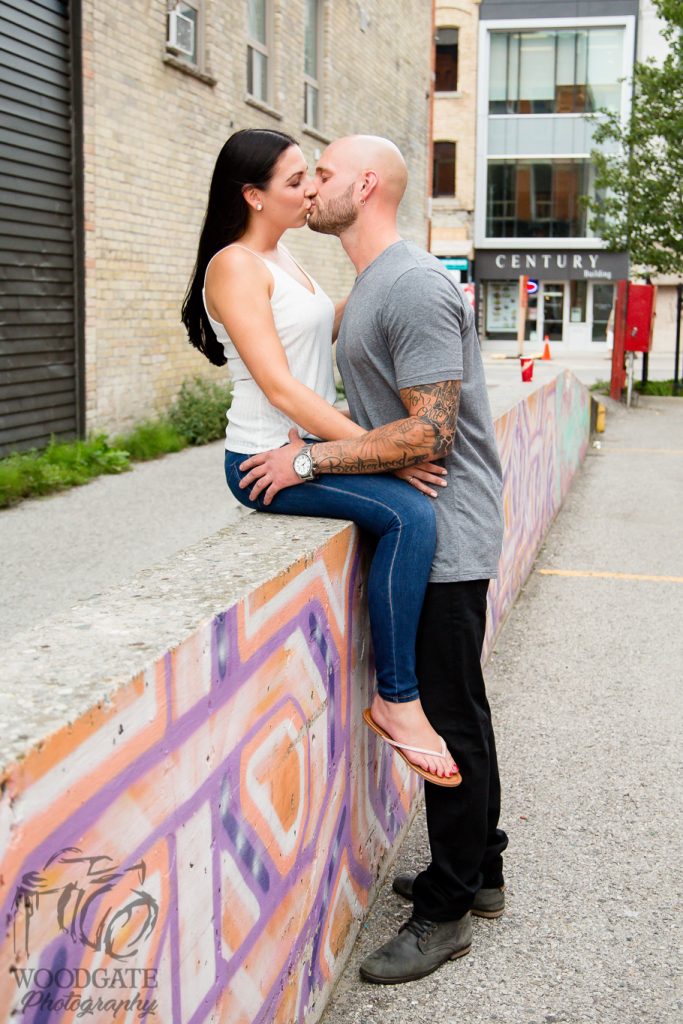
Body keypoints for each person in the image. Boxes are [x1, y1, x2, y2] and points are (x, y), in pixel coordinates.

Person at [239, 135, 509, 984]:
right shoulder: (372, 286)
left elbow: (429, 432)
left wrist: (307, 460)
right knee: (461, 708)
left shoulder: (412, 286)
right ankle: (479, 868)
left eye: (321, 173)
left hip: (445, 534)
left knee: (447, 719)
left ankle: (445, 912)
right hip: (430, 527)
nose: (310, 186)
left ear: (363, 185)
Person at [181, 127, 461, 785]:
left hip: (308, 448)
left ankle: (401, 694)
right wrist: (378, 452)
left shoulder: (282, 258)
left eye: (313, 174)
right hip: (264, 458)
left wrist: (403, 281)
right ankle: (397, 700)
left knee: (411, 511)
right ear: (253, 196)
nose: (311, 189)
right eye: (295, 180)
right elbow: (281, 388)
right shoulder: (234, 266)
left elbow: (325, 321)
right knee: (410, 516)